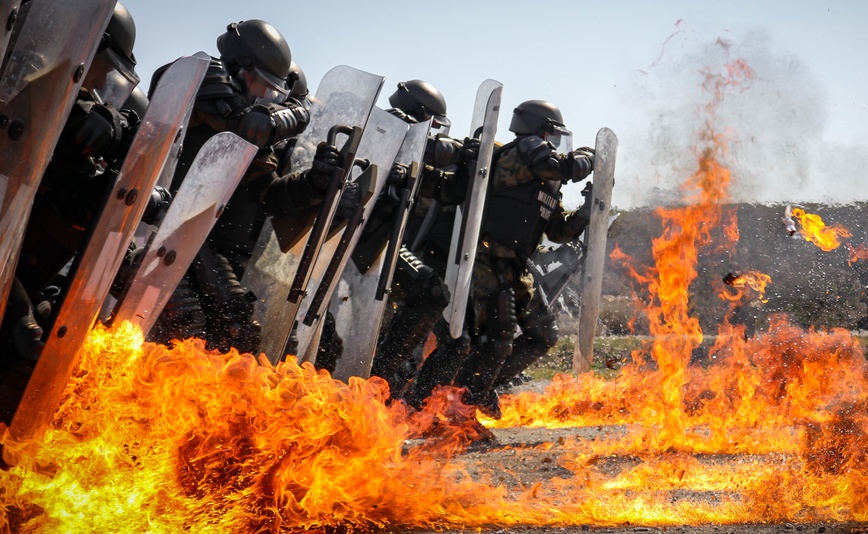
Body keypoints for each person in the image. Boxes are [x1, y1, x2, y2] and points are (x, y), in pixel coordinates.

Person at [147, 20, 341, 356]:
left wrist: (315, 184)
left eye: (272, 94)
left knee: (238, 330)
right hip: (151, 232)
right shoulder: (196, 76)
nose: (264, 101)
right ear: (238, 67)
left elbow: (270, 194)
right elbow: (235, 116)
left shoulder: (247, 129)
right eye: (261, 87)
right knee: (186, 333)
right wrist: (284, 116)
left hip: (200, 244)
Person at [404, 100, 595, 417]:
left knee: (542, 335)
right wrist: (589, 158)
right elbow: (562, 166)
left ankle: (477, 391)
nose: (554, 142)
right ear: (539, 129)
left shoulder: (544, 181)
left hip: (518, 267)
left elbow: (559, 231)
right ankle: (456, 410)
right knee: (497, 339)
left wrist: (588, 212)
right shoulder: (521, 153)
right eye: (551, 134)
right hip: (488, 260)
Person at [0, 1, 144, 422]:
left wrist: (117, 128)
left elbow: (68, 202)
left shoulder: (68, 107)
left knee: (48, 338)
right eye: (103, 66)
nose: (99, 81)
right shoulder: (20, 80)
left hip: (16, 262)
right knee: (23, 331)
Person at [359, 80, 476, 396]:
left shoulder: (411, 156)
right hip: (345, 242)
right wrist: (440, 147)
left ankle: (378, 382)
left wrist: (468, 162)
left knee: (432, 292)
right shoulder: (379, 128)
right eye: (431, 127)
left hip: (383, 248)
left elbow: (448, 190)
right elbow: (408, 138)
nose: (434, 135)